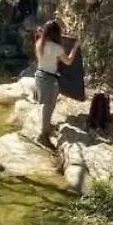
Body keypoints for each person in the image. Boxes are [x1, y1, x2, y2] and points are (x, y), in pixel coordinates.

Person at [34, 20, 80, 149]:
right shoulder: (56, 48)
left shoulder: (39, 43)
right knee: (49, 106)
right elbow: (68, 61)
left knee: (48, 104)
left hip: (40, 76)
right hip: (49, 79)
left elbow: (42, 39)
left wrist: (41, 33)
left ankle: (46, 126)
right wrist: (75, 47)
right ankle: (43, 136)